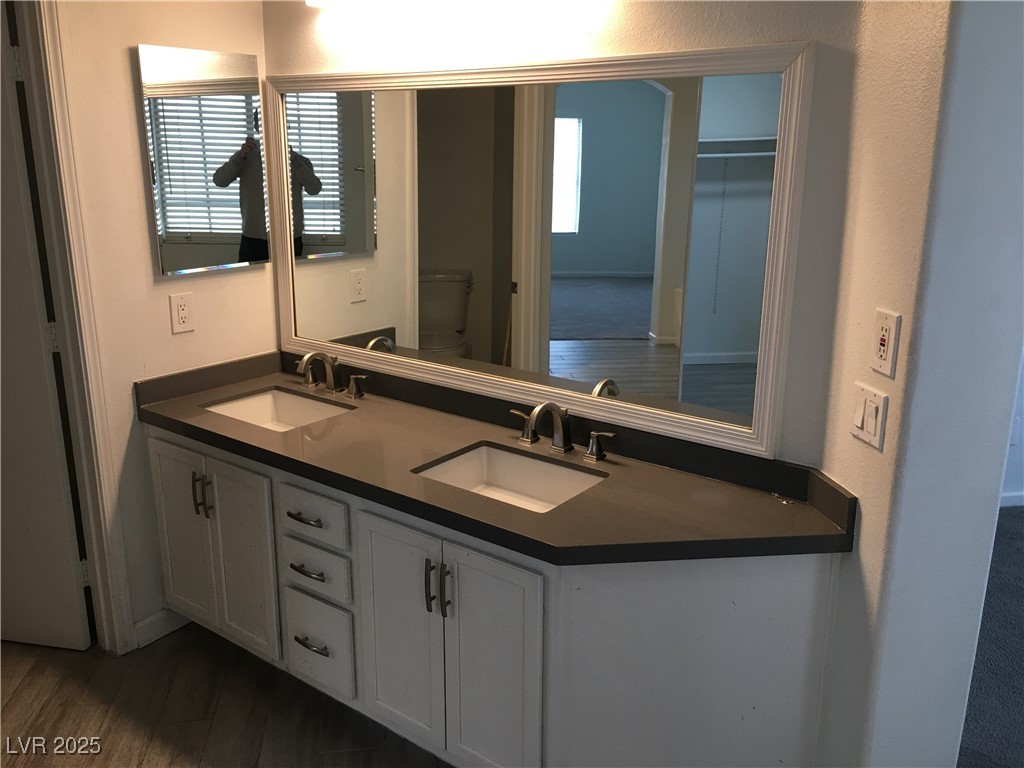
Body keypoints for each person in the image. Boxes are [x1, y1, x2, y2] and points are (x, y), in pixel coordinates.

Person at [213, 109, 322, 261]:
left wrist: (295, 161)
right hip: (253, 237)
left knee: (289, 284)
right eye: (264, 123)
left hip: (289, 238)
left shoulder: (299, 161)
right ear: (257, 126)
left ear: (286, 126)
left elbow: (315, 189)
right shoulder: (245, 157)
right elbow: (219, 180)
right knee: (249, 283)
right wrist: (239, 157)